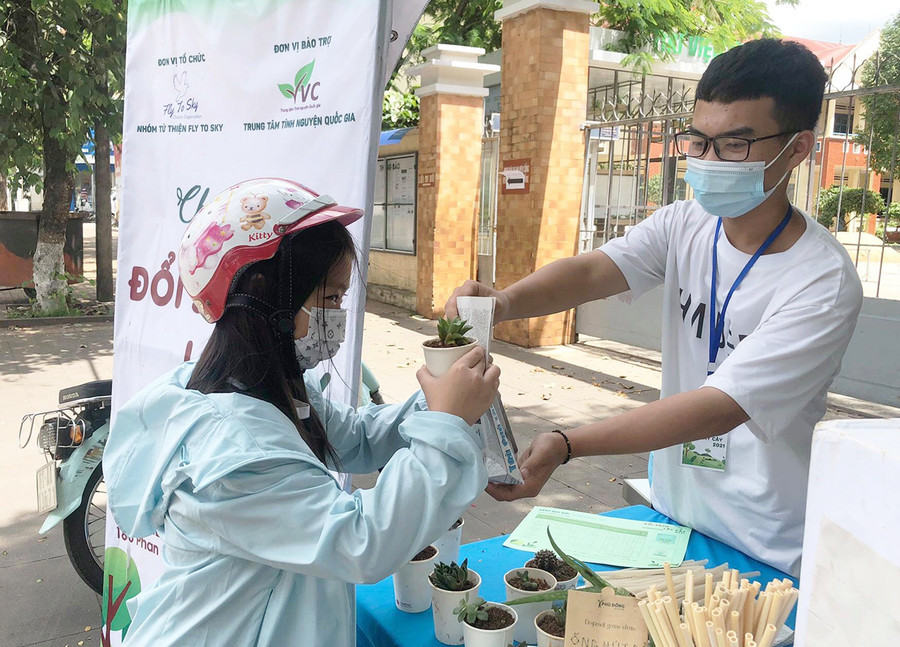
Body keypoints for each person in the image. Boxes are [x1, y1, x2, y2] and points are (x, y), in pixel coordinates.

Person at [446, 39, 863, 577]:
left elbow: (719, 405)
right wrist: (503, 301)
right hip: (673, 517)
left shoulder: (822, 282)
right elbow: (596, 269)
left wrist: (566, 443)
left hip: (764, 544)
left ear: (799, 148)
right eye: (698, 140)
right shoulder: (686, 224)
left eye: (735, 144)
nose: (708, 161)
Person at [105, 178, 500, 646]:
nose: (338, 314)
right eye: (330, 298)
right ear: (265, 295)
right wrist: (447, 423)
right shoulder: (234, 457)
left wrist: (443, 390)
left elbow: (358, 437)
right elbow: (361, 541)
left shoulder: (265, 387)